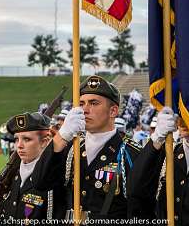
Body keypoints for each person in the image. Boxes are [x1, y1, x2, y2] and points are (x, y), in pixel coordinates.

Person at [32, 75, 145, 221]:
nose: (85, 110)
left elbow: (140, 210)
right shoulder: (70, 149)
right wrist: (62, 135)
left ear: (113, 111)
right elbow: (40, 182)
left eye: (93, 103)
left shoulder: (131, 154)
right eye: (81, 103)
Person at [130, 107, 189, 225]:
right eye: (180, 114)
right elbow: (135, 189)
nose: (182, 121)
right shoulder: (170, 153)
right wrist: (156, 139)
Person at [0, 112, 65, 224]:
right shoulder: (12, 175)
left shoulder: (53, 179)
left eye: (27, 139)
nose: (19, 145)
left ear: (44, 141)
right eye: (16, 139)